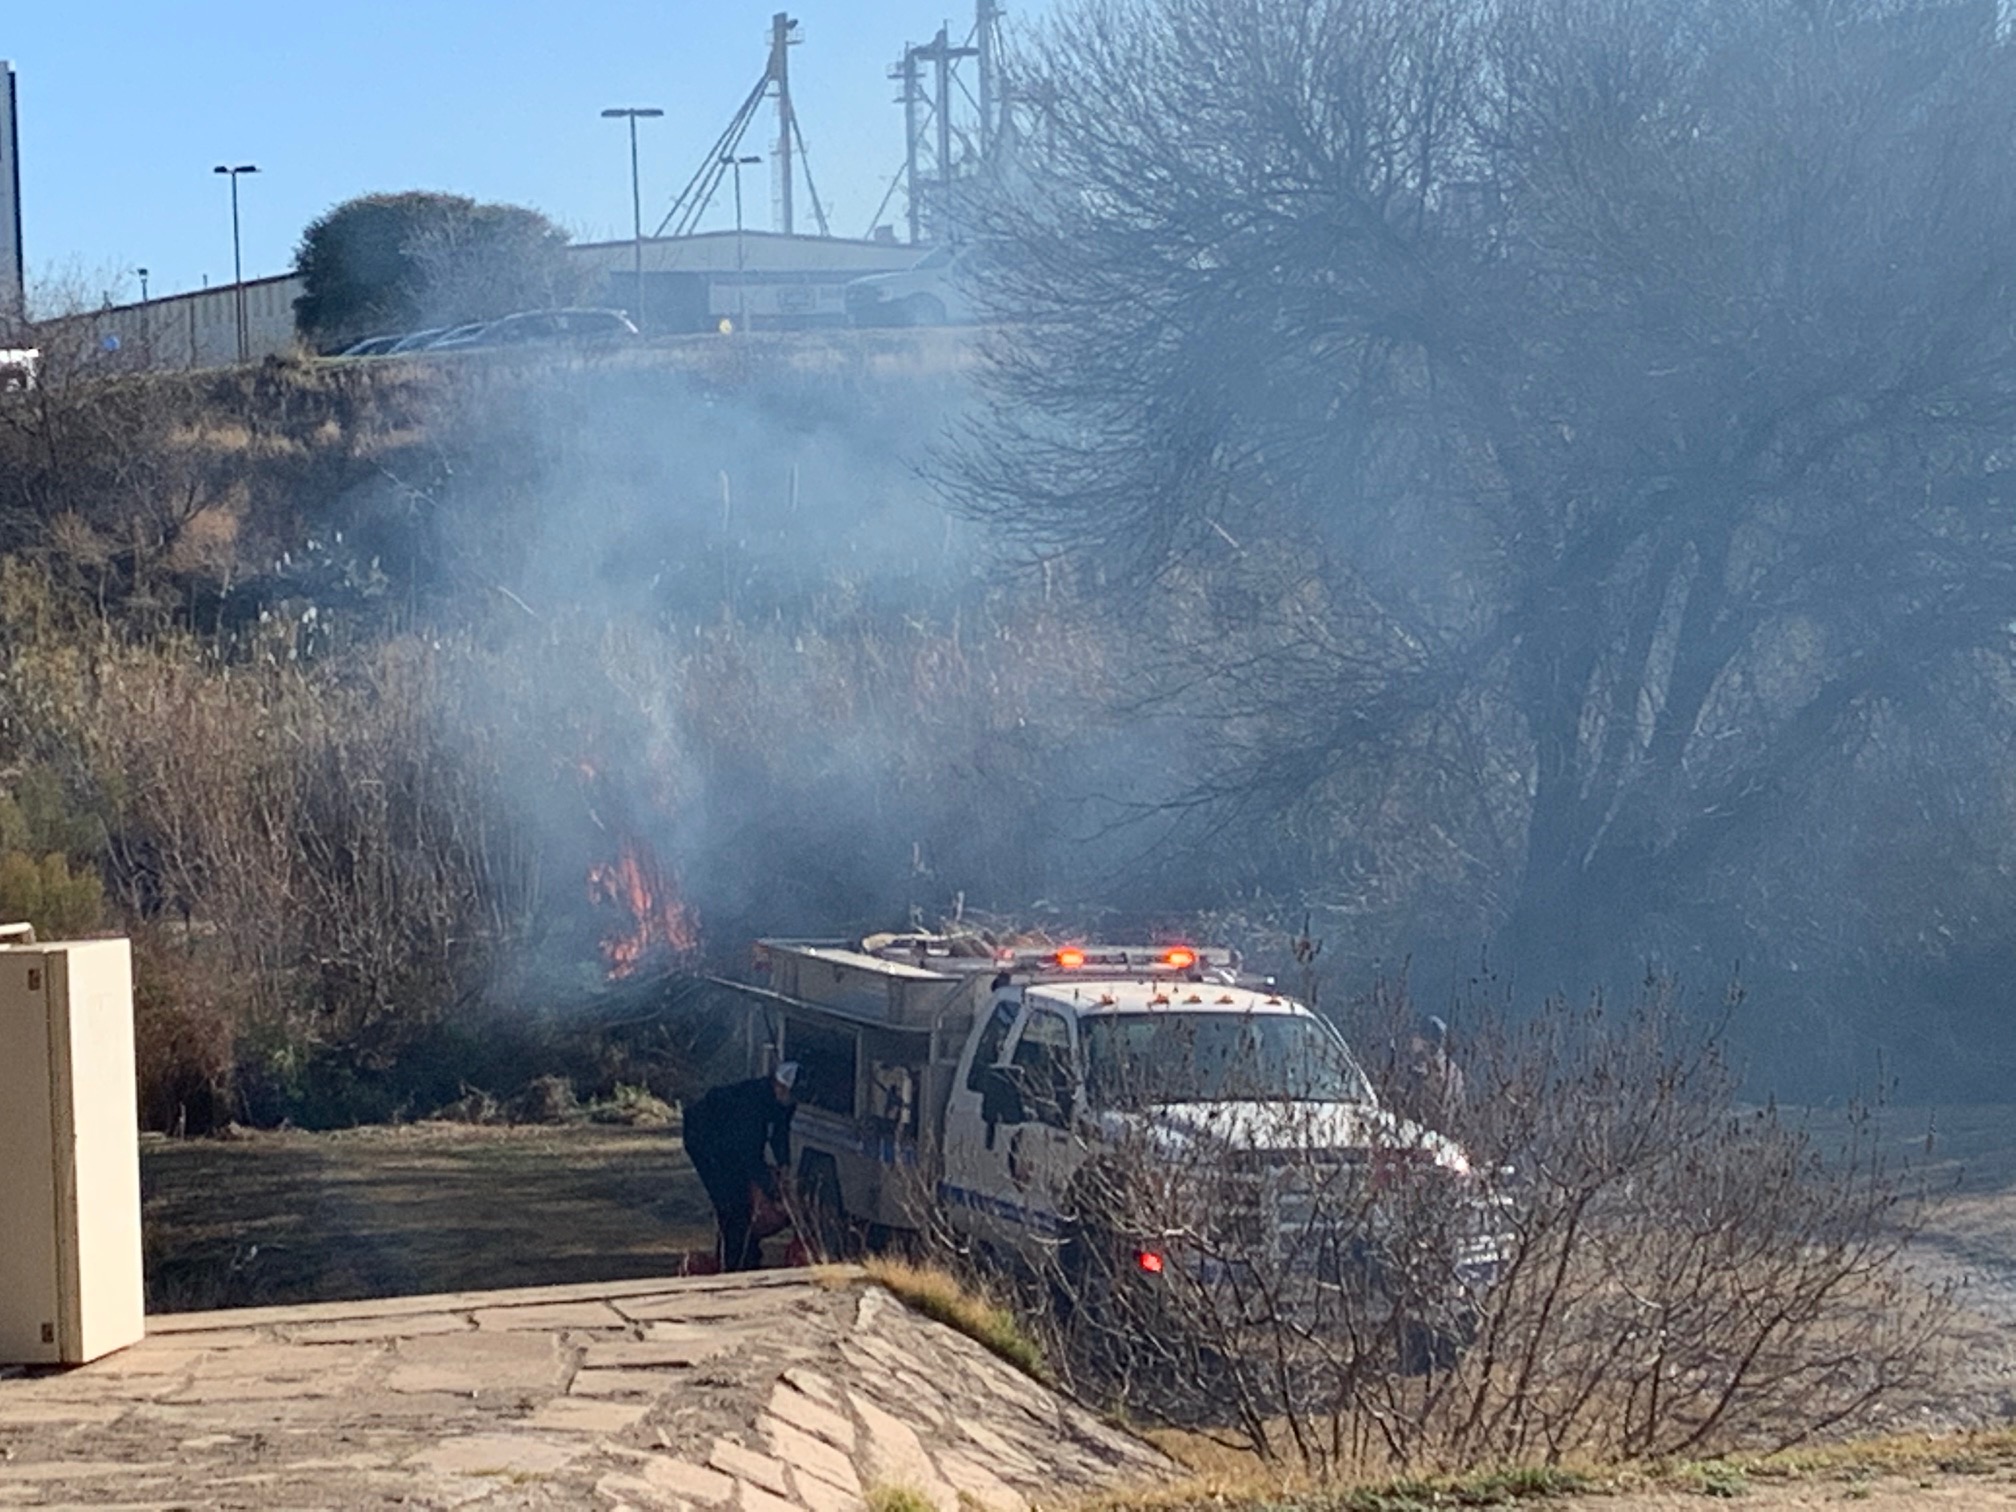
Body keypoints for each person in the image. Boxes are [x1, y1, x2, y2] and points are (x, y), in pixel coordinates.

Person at [681, 1062, 799, 1271]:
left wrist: (785, 1165)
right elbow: (749, 1157)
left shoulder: (780, 1102)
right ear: (780, 1087)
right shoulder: (750, 1106)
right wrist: (772, 1189)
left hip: (730, 1142)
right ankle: (735, 1263)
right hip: (705, 1140)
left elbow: (779, 1134)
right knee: (731, 1202)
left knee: (744, 1197)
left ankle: (746, 1253)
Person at [1393, 1016, 1465, 1133]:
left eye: (1417, 1035)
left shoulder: (1428, 1070)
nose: (1412, 1040)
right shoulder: (1453, 1071)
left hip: (1424, 1137)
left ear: (1426, 1041)